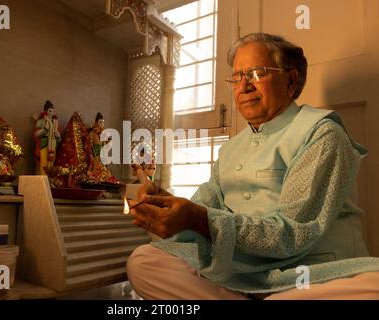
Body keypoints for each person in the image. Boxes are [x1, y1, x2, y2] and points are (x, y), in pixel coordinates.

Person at [126, 33, 379, 299]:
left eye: (257, 73)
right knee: (144, 261)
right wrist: (164, 202)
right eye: (236, 77)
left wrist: (197, 218)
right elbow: (204, 208)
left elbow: (293, 233)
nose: (243, 86)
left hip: (310, 276)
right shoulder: (230, 149)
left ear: (291, 81)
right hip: (241, 273)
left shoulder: (322, 133)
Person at [34, 100, 61, 175]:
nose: (51, 113)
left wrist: (57, 135)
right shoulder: (41, 121)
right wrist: (45, 129)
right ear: (45, 111)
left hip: (53, 145)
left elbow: (59, 140)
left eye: (53, 111)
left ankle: (49, 179)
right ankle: (43, 179)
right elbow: (36, 134)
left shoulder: (55, 122)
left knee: (51, 163)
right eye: (50, 111)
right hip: (44, 143)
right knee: (44, 162)